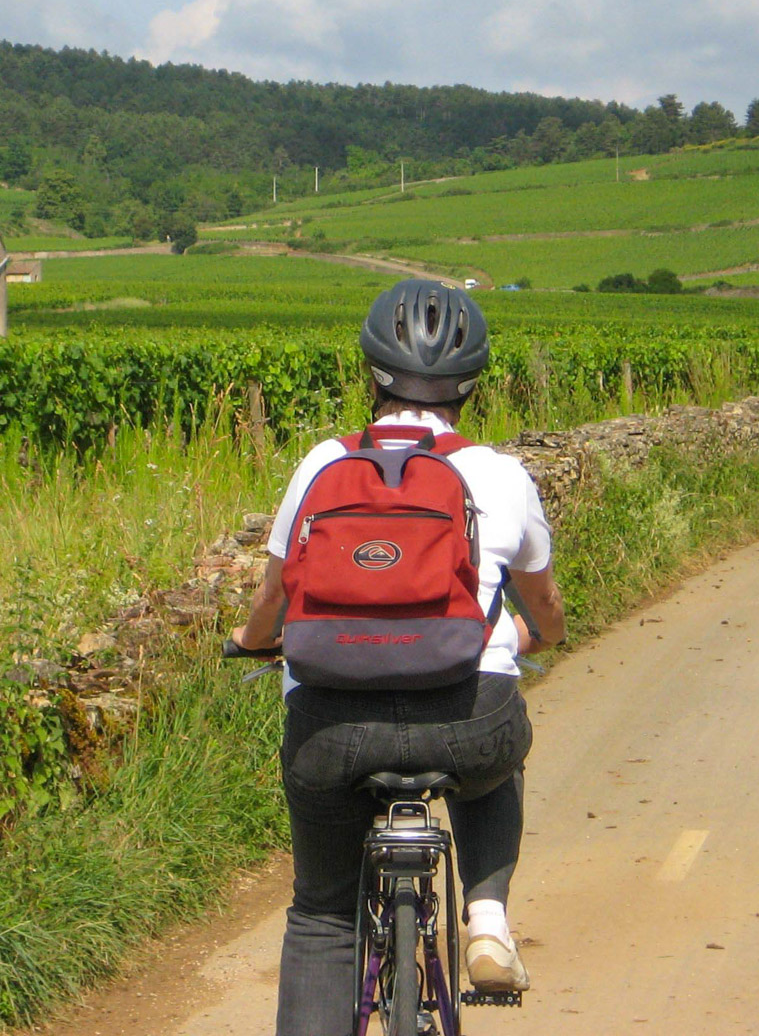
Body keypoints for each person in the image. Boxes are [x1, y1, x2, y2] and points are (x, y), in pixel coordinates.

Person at [229, 279, 567, 1036]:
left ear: (371, 373)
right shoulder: (505, 476)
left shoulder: (322, 463)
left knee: (322, 912)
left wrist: (249, 644)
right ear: (471, 387)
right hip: (465, 717)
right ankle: (486, 918)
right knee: (497, 750)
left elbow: (272, 600)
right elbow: (544, 607)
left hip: (329, 728)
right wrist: (536, 635)